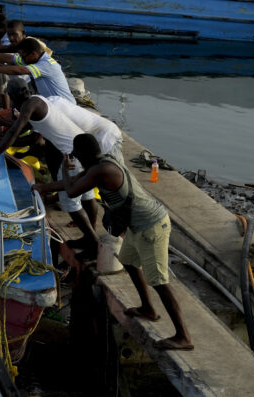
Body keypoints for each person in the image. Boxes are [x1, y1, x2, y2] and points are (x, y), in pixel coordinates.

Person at [56, 134, 193, 351]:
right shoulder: (101, 163)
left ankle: (184, 336)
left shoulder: (101, 170)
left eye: (77, 155)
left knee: (159, 281)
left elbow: (72, 190)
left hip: (152, 225)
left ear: (82, 154)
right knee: (128, 261)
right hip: (138, 226)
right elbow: (73, 184)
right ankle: (148, 308)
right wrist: (43, 187)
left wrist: (65, 168)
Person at [0, 95, 100, 254]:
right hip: (81, 151)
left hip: (71, 155)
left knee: (71, 203)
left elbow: (14, 133)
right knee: (87, 195)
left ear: (15, 93)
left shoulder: (29, 105)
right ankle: (91, 234)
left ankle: (92, 241)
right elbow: (21, 129)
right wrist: (0, 136)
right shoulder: (40, 102)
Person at [0, 36, 75, 104]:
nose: (21, 59)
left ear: (33, 54)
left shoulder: (47, 64)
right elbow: (8, 58)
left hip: (65, 105)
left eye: (23, 56)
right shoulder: (32, 58)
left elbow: (20, 70)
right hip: (52, 103)